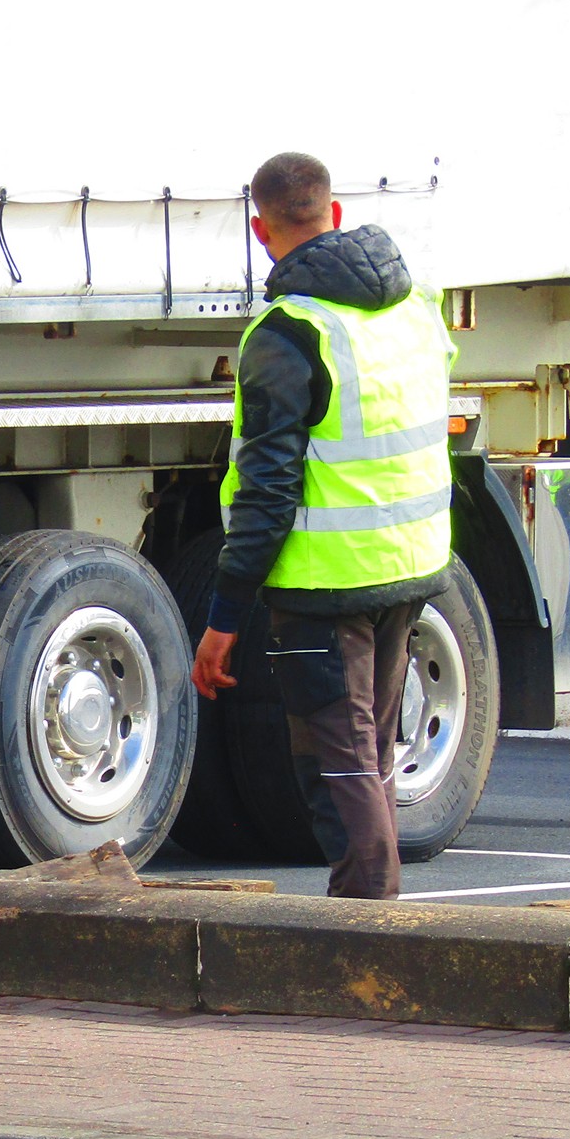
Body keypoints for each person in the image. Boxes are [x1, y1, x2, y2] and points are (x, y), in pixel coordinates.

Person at [192, 152, 455, 901]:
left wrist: (223, 618)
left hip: (321, 588)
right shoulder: (416, 306)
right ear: (333, 214)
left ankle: (365, 930)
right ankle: (370, 915)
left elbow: (267, 492)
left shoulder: (286, 333)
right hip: (409, 568)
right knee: (370, 752)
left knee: (336, 762)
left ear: (259, 229)